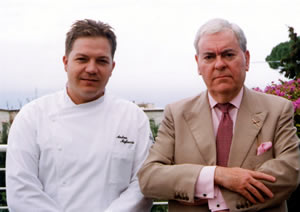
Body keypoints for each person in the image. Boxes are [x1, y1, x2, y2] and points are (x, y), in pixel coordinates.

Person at [138, 18, 300, 212]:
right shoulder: (176, 114)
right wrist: (216, 175)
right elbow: (150, 178)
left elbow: (289, 173)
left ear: (246, 59)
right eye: (209, 57)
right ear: (198, 64)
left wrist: (213, 196)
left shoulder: (278, 110)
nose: (219, 64)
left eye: (228, 54)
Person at [6, 19, 153, 212]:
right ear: (66, 62)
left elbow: (142, 186)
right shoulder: (32, 116)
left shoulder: (134, 118)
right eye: (82, 59)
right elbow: (21, 190)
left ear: (112, 67)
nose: (91, 69)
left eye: (101, 61)